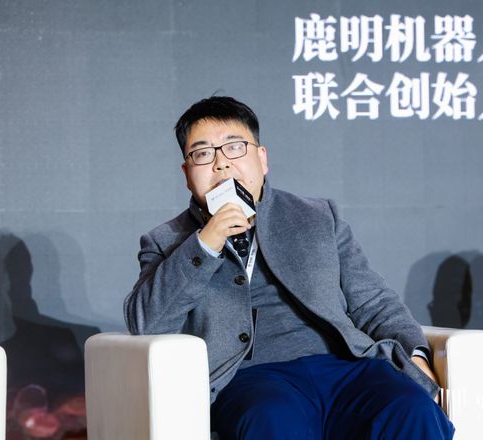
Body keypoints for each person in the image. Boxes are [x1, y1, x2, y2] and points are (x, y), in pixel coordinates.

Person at [124, 96, 455, 439]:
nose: (222, 164)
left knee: (410, 406)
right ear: (187, 174)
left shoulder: (318, 217)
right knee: (272, 418)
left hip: (345, 366)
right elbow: (147, 323)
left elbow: (373, 301)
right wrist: (205, 243)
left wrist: (415, 354)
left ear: (261, 158)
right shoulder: (166, 241)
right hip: (250, 378)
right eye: (203, 153)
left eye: (234, 147)